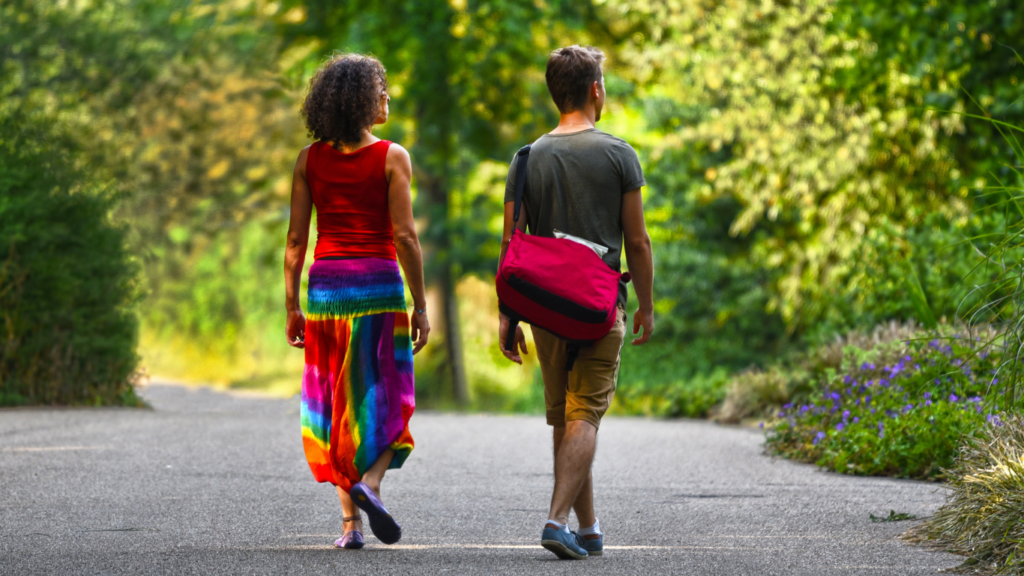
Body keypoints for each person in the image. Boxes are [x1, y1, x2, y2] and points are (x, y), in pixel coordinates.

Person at [498, 45, 655, 560]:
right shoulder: (618, 154)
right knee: (585, 413)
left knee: (567, 417)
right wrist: (647, 305)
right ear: (595, 90)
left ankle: (586, 528)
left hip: (545, 310)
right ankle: (555, 519)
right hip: (598, 304)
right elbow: (639, 242)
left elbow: (511, 243)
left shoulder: (527, 157)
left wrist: (508, 315)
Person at [284, 54, 429, 550]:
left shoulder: (308, 160)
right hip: (379, 289)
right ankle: (370, 484)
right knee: (388, 395)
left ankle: (350, 527)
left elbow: (296, 243)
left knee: (334, 401)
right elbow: (406, 236)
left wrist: (291, 306)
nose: (387, 98)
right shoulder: (392, 156)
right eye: (382, 91)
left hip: (326, 291)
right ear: (366, 101)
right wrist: (422, 306)